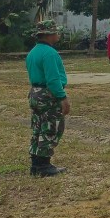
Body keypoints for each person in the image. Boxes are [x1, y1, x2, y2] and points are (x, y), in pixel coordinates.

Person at [26, 20, 69, 177]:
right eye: (56, 32)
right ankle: (44, 166)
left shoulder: (33, 52)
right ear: (49, 34)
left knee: (38, 127)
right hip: (48, 94)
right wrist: (62, 97)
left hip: (35, 93)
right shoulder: (50, 53)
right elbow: (53, 79)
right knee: (51, 127)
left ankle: (36, 164)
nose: (58, 34)